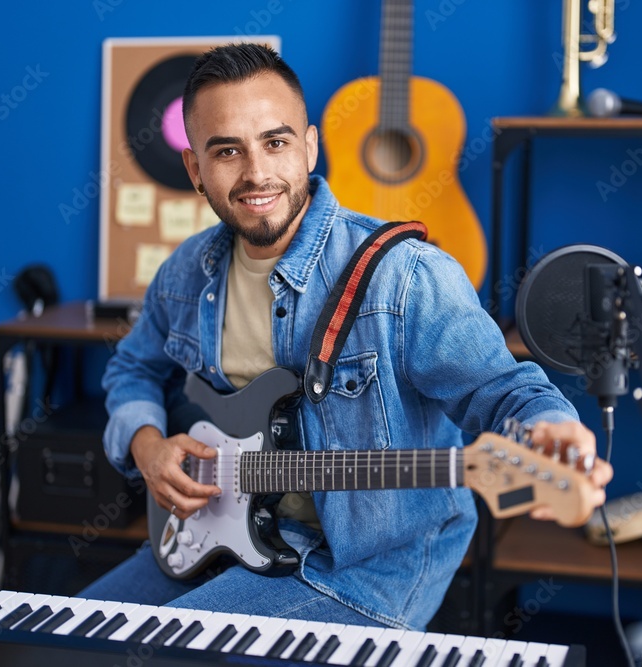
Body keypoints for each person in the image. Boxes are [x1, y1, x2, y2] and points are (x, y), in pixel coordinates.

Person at [78, 43, 612, 632]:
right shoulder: (186, 275)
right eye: (227, 151)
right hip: (218, 530)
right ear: (195, 170)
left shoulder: (405, 275)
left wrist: (548, 427)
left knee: (158, 652)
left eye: (276, 143)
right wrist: (148, 447)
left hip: (362, 569)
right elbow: (131, 369)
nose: (257, 173)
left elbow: (507, 392)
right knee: (70, 640)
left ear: (309, 146)